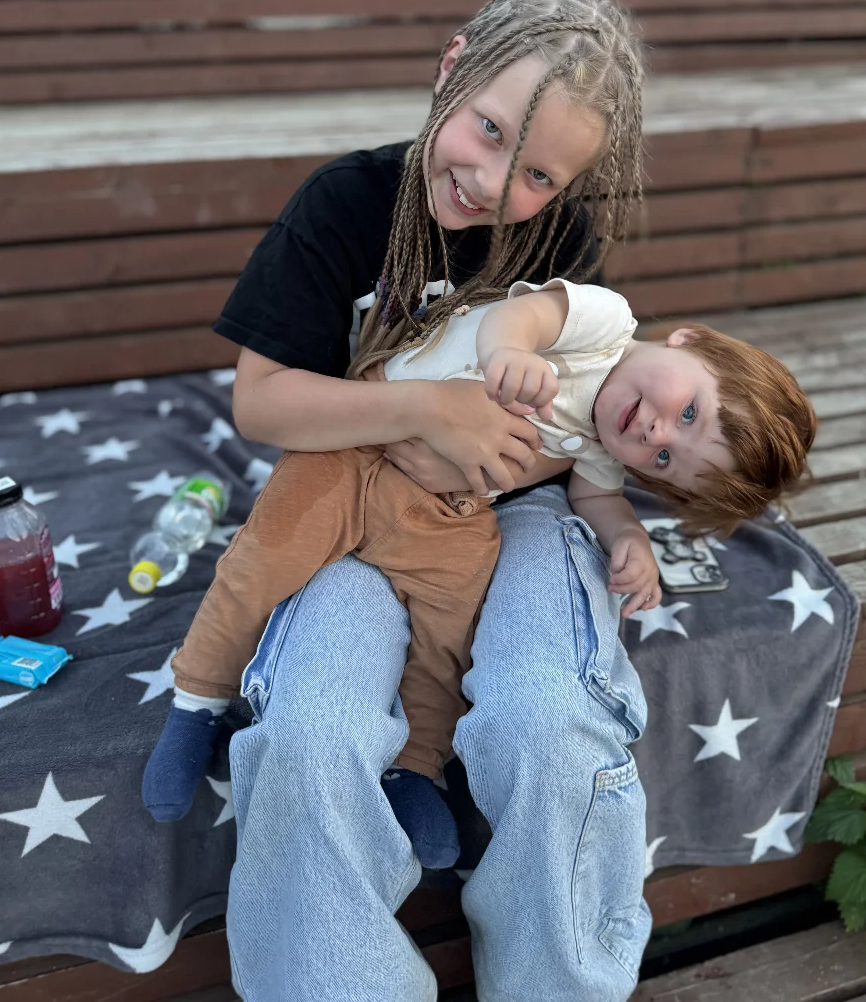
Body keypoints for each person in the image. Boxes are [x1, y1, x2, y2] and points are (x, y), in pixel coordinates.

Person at [184, 0, 656, 1001]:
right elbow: (261, 401)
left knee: (549, 718)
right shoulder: (346, 204)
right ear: (451, 68)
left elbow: (569, 417)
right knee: (309, 733)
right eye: (486, 130)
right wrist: (425, 412)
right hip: (351, 510)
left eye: (536, 174)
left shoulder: (561, 243)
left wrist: (508, 461)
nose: (491, 181)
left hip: (512, 516)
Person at [143, 281, 815, 873]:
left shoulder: (603, 445)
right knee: (264, 560)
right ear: (690, 341)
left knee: (453, 625)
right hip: (357, 445)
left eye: (665, 459)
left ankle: (415, 766)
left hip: (445, 510)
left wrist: (629, 536)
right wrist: (509, 354)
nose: (656, 432)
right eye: (689, 410)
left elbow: (597, 496)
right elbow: (521, 317)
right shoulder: (605, 322)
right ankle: (197, 699)